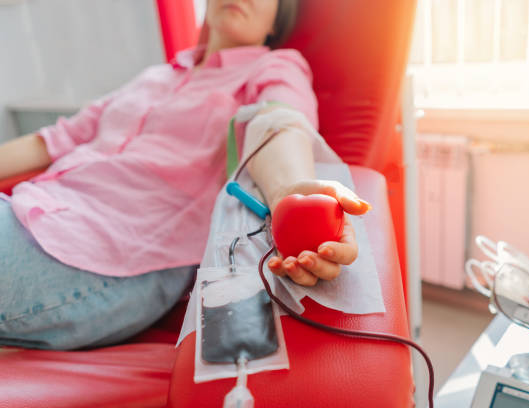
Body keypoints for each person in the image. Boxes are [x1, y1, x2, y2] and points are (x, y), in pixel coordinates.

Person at [0, 0, 370, 350]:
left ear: (276, 20)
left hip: (104, 254)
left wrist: (290, 192)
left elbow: (278, 122)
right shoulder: (155, 76)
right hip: (29, 209)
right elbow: (49, 141)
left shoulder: (274, 67)